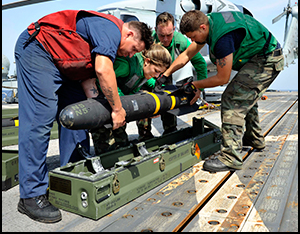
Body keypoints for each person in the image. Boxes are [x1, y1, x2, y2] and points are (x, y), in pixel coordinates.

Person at [14, 9, 153, 223]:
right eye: (134, 49)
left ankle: (74, 169)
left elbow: (90, 85)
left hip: (67, 68)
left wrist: (100, 113)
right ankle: (31, 195)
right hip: (39, 52)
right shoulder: (111, 29)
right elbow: (103, 70)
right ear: (129, 35)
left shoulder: (101, 45)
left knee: (80, 114)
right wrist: (117, 109)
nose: (130, 55)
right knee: (39, 120)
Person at [158, 10, 284, 173]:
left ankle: (231, 157)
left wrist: (195, 84)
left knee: (232, 98)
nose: (192, 41)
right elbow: (187, 54)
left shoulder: (222, 39)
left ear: (202, 28)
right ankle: (254, 139)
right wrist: (165, 75)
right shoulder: (209, 23)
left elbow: (222, 78)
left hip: (267, 59)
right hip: (259, 56)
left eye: (193, 37)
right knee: (243, 94)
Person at [81, 43, 172, 154]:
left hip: (116, 106)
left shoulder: (143, 70)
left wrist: (161, 89)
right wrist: (120, 99)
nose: (157, 75)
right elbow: (104, 79)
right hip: (102, 105)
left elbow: (147, 81)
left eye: (160, 73)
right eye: (156, 71)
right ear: (147, 61)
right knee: (105, 147)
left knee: (122, 142)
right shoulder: (126, 66)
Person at [138, 12, 207, 140]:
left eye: (169, 35)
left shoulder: (180, 41)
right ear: (155, 30)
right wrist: (152, 82)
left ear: (174, 29)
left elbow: (200, 64)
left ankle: (170, 131)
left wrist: (200, 88)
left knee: (168, 99)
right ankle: (144, 135)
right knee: (144, 102)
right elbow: (141, 67)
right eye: (161, 35)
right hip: (148, 76)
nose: (165, 40)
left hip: (166, 76)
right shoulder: (148, 41)